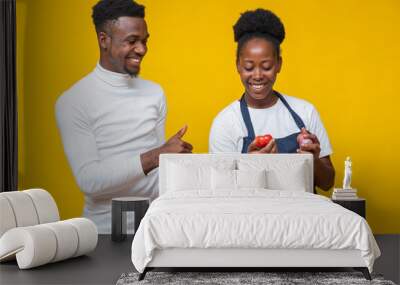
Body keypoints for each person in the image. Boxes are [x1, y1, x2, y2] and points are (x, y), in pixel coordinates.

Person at [55, 0, 192, 233]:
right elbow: (90, 181)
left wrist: (177, 163)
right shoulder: (73, 101)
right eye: (131, 41)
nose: (141, 49)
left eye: (144, 40)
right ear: (104, 40)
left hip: (154, 229)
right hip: (104, 234)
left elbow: (157, 174)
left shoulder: (154, 93)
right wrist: (156, 156)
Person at [209, 9, 334, 190]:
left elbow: (327, 183)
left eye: (266, 66)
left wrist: (313, 159)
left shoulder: (305, 112)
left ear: (279, 65)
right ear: (238, 66)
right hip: (250, 216)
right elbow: (223, 191)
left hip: (302, 215)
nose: (258, 75)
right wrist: (249, 167)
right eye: (249, 67)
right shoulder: (225, 122)